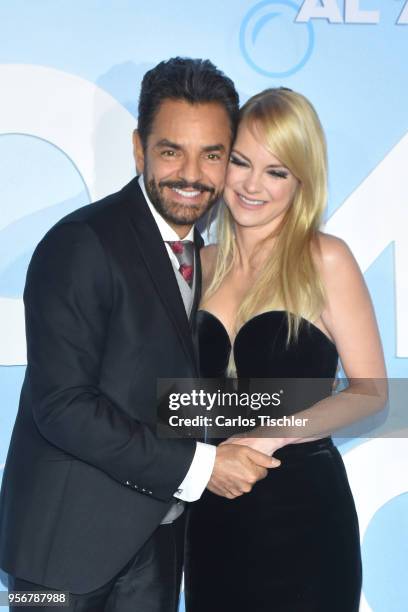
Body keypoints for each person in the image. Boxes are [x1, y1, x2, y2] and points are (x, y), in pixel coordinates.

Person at [0, 58, 278, 612]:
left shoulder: (211, 260)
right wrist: (203, 468)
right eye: (172, 150)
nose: (191, 174)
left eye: (212, 155)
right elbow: (63, 405)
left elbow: (177, 396)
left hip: (158, 544)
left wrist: (291, 421)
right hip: (62, 557)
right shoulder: (81, 244)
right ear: (138, 149)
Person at [185, 88, 387, 612]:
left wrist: (269, 435)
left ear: (301, 180)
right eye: (241, 162)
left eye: (277, 171)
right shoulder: (196, 266)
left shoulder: (324, 258)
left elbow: (370, 392)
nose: (253, 185)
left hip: (303, 515)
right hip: (211, 514)